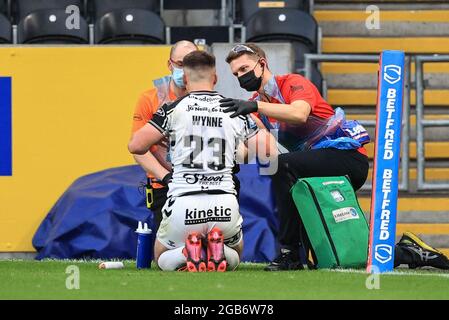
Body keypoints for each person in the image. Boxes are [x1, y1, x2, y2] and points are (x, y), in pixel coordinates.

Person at [220, 43, 449, 271]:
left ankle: (290, 253)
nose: (241, 76)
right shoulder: (257, 104)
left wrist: (254, 106)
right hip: (314, 165)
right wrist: (223, 156)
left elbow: (299, 114)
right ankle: (413, 253)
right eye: (236, 73)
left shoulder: (292, 83)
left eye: (244, 68)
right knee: (332, 248)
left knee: (283, 166)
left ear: (262, 63)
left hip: (347, 157)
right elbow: (251, 147)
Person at [128, 50, 276, 272]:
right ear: (215, 79)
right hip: (224, 203)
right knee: (235, 254)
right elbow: (269, 153)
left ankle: (188, 251)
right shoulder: (235, 109)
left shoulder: (172, 109)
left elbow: (136, 146)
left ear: (185, 80)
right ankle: (215, 247)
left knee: (161, 257)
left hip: (184, 202)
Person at [130, 40, 198, 232]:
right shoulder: (149, 99)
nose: (185, 70)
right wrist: (167, 177)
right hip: (163, 186)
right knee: (167, 256)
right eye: (180, 64)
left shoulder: (207, 98)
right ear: (170, 64)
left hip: (201, 185)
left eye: (192, 64)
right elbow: (137, 149)